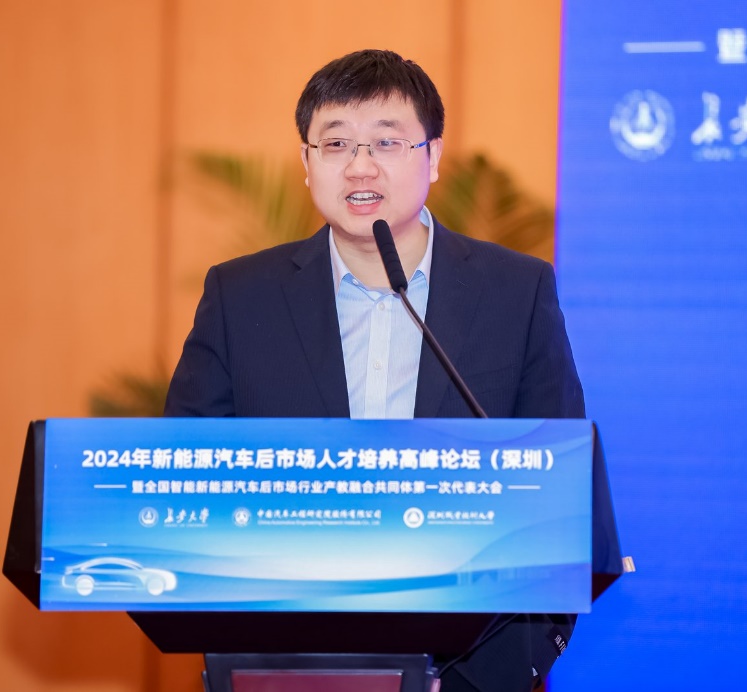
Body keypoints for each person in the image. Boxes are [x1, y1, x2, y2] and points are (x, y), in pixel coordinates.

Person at [166, 49, 584, 691]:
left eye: (387, 142)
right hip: (286, 669)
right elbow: (186, 476)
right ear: (307, 163)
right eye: (335, 144)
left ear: (433, 157)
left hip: (473, 671)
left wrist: (522, 659)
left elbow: (559, 487)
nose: (360, 166)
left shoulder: (516, 292)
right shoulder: (240, 297)